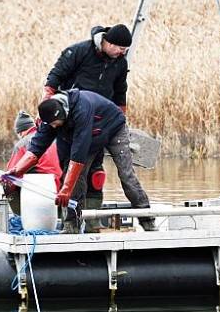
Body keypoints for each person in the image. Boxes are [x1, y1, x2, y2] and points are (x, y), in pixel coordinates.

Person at [42, 24, 146, 232]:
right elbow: (54, 78)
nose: (121, 53)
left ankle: (95, 221)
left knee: (98, 174)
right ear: (106, 41)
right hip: (73, 119)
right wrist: (48, 107)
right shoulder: (79, 52)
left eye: (125, 50)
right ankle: (72, 221)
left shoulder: (119, 63)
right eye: (118, 48)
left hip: (104, 123)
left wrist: (121, 123)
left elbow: (120, 93)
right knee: (74, 171)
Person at [5, 89, 155, 233]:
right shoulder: (49, 119)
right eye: (51, 124)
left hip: (113, 128)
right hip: (90, 136)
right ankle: (72, 225)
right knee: (74, 179)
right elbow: (35, 148)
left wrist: (66, 189)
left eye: (56, 123)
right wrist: (16, 171)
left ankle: (147, 220)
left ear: (64, 114)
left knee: (126, 175)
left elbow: (78, 154)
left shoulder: (82, 108)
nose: (53, 126)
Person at [1, 110, 63, 216]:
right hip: (62, 189)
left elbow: (11, 173)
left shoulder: (22, 144)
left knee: (7, 182)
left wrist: (7, 190)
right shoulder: (55, 139)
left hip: (43, 193)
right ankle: (61, 216)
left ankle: (21, 217)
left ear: (20, 132)